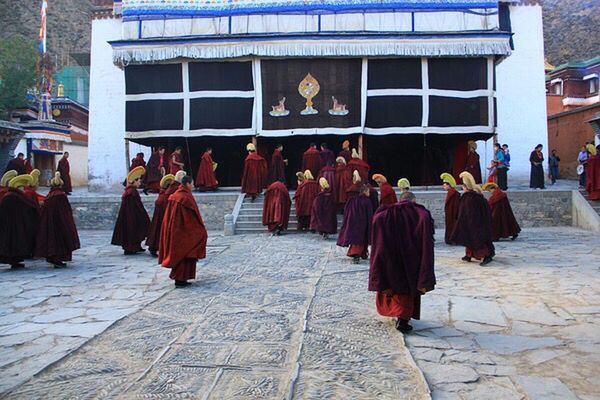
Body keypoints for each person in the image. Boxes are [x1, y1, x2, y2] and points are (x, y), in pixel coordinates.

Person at [369, 196, 436, 333]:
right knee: (407, 289)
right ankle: (403, 319)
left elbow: (377, 222)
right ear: (414, 200)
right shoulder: (419, 214)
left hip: (390, 256)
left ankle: (399, 316)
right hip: (413, 256)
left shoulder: (386, 214)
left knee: (393, 285)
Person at [160, 175, 208, 288]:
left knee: (180, 252)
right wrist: (199, 230)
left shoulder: (175, 196)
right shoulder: (185, 197)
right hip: (183, 231)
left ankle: (181, 278)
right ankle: (180, 279)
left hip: (175, 230)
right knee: (185, 252)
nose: (193, 186)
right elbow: (190, 217)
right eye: (192, 184)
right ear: (187, 184)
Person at [35, 172, 80, 268]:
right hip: (61, 223)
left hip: (50, 223)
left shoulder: (50, 195)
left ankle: (52, 258)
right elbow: (66, 210)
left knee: (52, 240)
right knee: (60, 241)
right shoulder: (61, 195)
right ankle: (58, 259)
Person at [450, 171, 495, 266]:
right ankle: (469, 254)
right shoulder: (474, 197)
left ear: (466, 187)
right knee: (469, 239)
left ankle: (486, 255)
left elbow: (469, 212)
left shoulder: (470, 198)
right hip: (472, 223)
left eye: (463, 186)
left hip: (475, 224)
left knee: (477, 240)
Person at [0, 174, 39, 269]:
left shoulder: (12, 195)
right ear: (18, 187)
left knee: (14, 243)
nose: (23, 189)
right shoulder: (12, 196)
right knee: (14, 243)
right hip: (13, 225)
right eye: (22, 187)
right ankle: (14, 261)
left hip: (12, 225)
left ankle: (15, 261)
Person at [111, 166, 151, 255]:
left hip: (130, 216)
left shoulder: (130, 191)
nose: (140, 183)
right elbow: (137, 206)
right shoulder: (132, 192)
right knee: (133, 229)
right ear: (134, 181)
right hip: (132, 216)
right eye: (139, 181)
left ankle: (136, 247)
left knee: (134, 230)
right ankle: (131, 248)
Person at [337, 184, 374, 263]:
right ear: (365, 192)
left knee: (356, 239)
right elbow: (369, 214)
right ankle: (356, 255)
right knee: (360, 240)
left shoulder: (353, 200)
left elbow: (348, 212)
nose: (369, 194)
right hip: (363, 223)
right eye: (368, 192)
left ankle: (362, 253)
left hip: (354, 222)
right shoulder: (367, 201)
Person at [146, 174, 175, 257]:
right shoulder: (165, 195)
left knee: (156, 230)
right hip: (162, 217)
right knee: (158, 232)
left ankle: (154, 247)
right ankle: (155, 248)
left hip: (158, 217)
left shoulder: (162, 194)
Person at [441, 173, 460, 245]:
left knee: (452, 226)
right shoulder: (450, 192)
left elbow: (455, 205)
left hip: (452, 214)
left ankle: (452, 239)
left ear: (449, 185)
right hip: (450, 214)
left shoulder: (454, 193)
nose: (443, 186)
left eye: (445, 184)